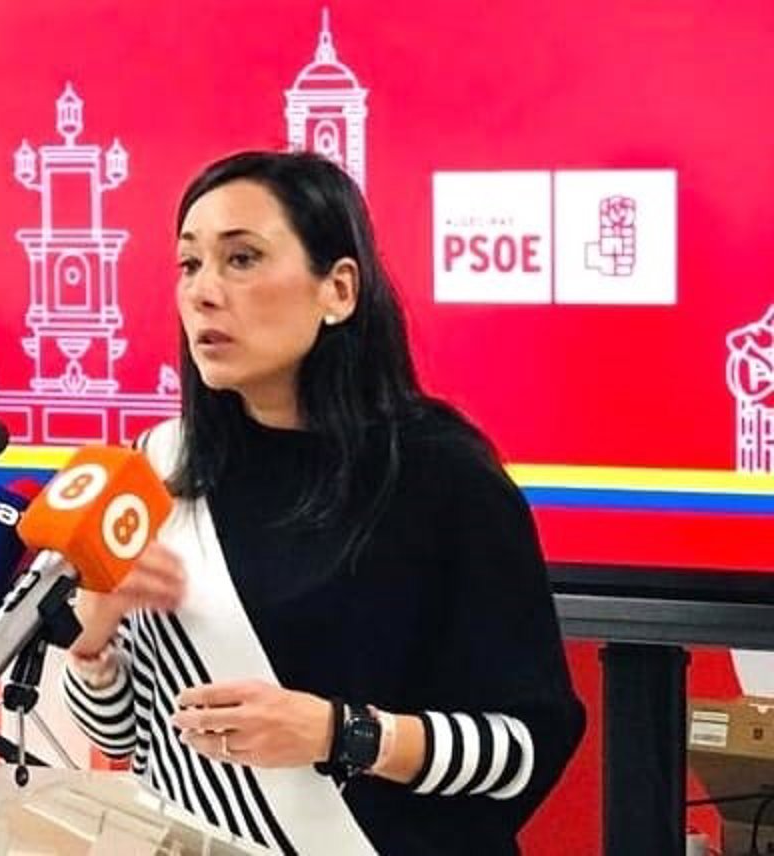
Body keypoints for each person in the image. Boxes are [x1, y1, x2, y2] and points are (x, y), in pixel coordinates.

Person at [62, 150, 585, 855]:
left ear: (338, 289)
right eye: (189, 264)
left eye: (241, 259)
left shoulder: (443, 477)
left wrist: (344, 734)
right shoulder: (162, 466)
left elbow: (526, 747)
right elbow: (126, 738)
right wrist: (92, 638)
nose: (203, 292)